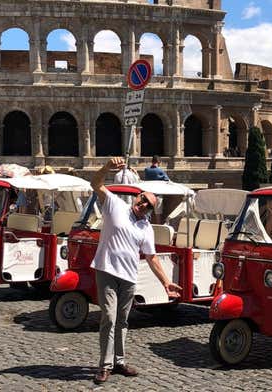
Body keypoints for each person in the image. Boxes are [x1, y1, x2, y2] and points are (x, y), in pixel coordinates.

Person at [91, 157, 182, 384]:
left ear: (150, 211)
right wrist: (106, 168)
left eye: (148, 206)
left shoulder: (146, 227)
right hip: (107, 271)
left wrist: (165, 282)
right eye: (142, 200)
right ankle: (105, 365)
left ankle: (119, 362)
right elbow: (95, 184)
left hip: (129, 277)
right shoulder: (114, 205)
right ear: (137, 197)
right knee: (109, 317)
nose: (143, 205)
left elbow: (151, 258)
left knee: (122, 320)